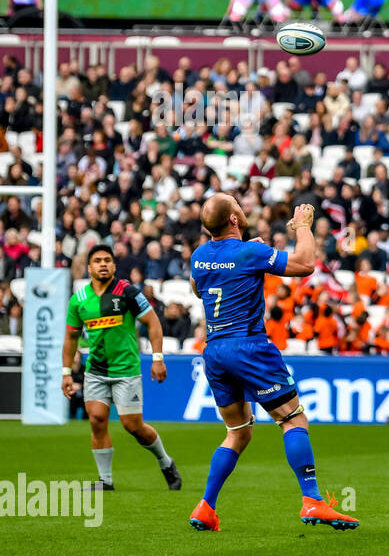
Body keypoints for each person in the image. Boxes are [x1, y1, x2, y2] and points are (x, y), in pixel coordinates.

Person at [188, 195, 359, 532]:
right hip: (249, 346)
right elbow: (305, 264)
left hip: (215, 350)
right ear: (235, 219)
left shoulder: (200, 256)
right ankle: (312, 501)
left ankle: (205, 507)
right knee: (293, 419)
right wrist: (303, 228)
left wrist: (243, 258)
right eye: (238, 205)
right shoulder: (249, 253)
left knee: (238, 431)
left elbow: (198, 288)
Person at [61, 245, 180, 492]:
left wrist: (158, 358)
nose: (103, 264)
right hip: (95, 371)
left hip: (126, 370)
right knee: (96, 420)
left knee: (133, 426)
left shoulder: (127, 292)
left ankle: (166, 462)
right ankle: (105, 480)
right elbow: (71, 338)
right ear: (89, 267)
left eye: (107, 260)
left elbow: (153, 322)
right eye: (97, 261)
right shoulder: (79, 300)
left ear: (114, 265)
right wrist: (66, 373)